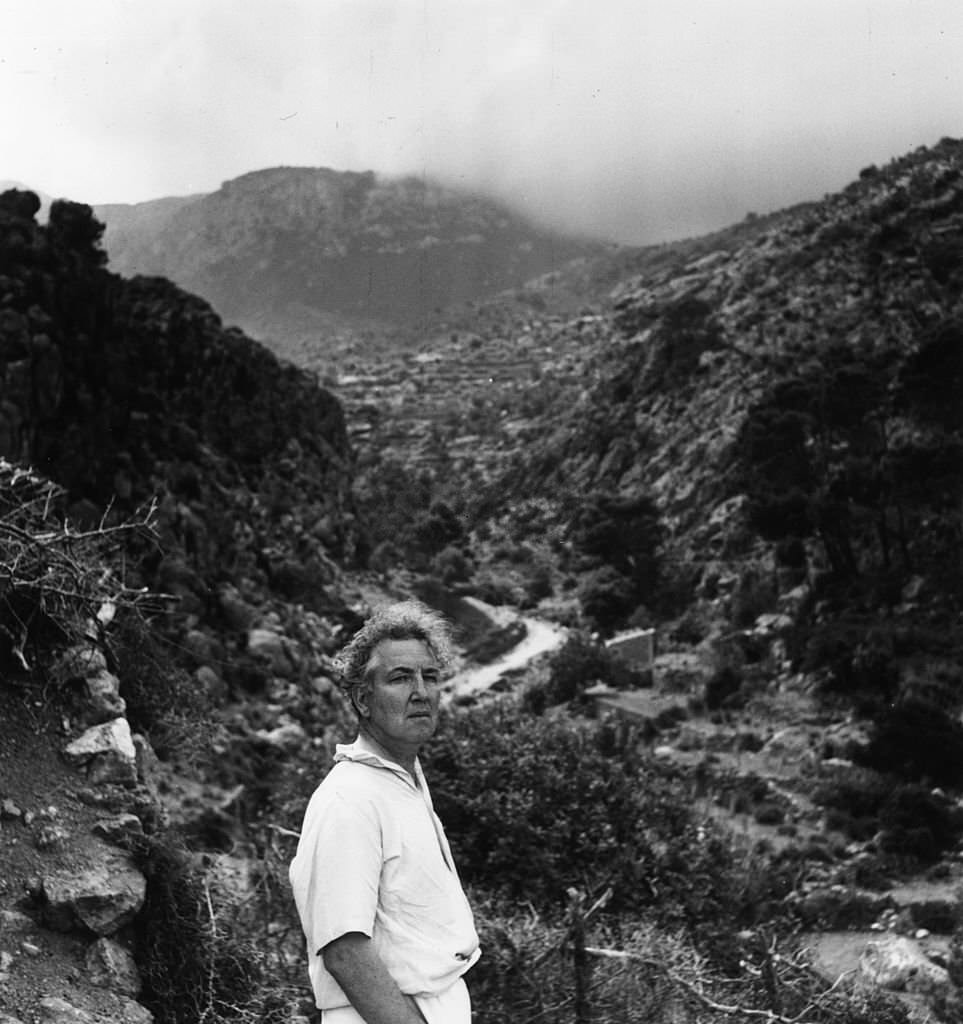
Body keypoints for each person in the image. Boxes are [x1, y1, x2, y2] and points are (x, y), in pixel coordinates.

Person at [290, 600, 480, 1024]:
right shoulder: (350, 798)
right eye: (400, 678)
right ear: (363, 698)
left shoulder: (401, 781)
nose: (421, 692)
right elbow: (344, 951)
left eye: (430, 677)